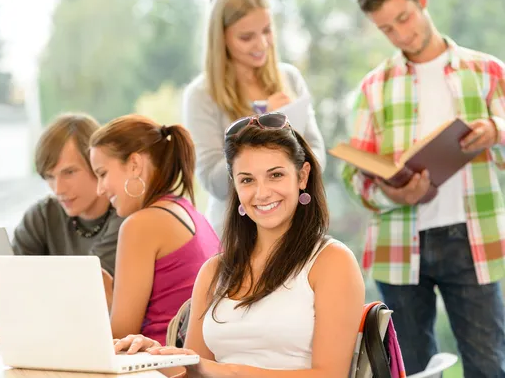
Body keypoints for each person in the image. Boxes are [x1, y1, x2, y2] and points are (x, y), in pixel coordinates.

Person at [115, 113, 364, 378]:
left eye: (275, 175)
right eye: (247, 180)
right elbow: (195, 371)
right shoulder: (214, 271)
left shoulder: (332, 262)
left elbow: (331, 375)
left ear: (302, 177)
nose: (262, 192)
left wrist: (228, 371)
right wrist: (153, 357)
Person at [342, 0, 505, 375]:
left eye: (404, 18)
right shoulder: (373, 87)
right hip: (397, 245)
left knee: (488, 365)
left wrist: (496, 130)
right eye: (387, 29)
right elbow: (355, 175)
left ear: (422, 1)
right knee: (410, 369)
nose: (401, 34)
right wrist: (391, 194)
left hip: (472, 239)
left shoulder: (487, 70)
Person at [183, 0, 326, 237]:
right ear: (222, 38)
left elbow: (317, 157)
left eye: (267, 31)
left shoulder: (289, 79)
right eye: (246, 37)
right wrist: (264, 124)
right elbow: (214, 182)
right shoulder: (201, 95)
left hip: (296, 227)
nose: (261, 44)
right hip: (236, 236)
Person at [88, 115, 219, 345]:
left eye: (102, 173)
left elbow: (120, 337)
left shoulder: (141, 225)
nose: (100, 189)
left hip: (160, 365)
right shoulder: (189, 213)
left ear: (134, 165)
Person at [12, 113, 124, 276]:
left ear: (97, 165)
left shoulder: (125, 216)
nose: (58, 190)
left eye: (69, 172)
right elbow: (10, 277)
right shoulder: (42, 216)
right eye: (50, 177)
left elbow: (90, 283)